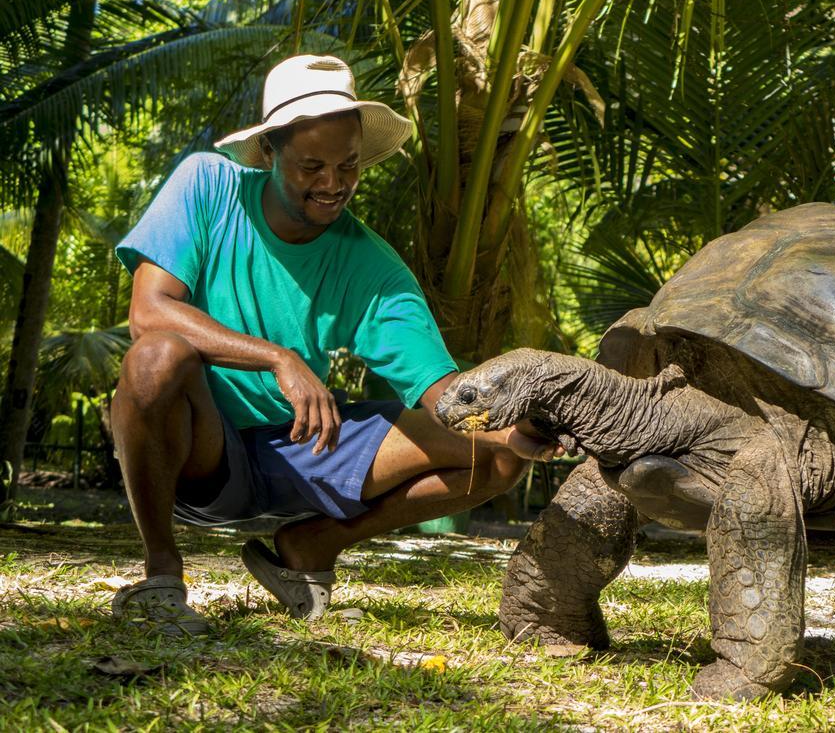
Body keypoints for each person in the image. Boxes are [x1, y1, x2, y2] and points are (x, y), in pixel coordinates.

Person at [109, 54, 557, 635]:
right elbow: (148, 313)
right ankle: (162, 576)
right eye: (311, 166)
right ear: (269, 152)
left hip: (301, 448)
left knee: (497, 453)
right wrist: (278, 358)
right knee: (156, 356)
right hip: (198, 449)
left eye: (348, 165)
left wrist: (515, 424)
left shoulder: (371, 265)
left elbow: (441, 391)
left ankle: (313, 545)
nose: (334, 184)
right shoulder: (206, 185)